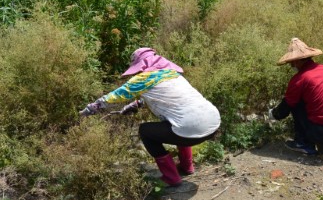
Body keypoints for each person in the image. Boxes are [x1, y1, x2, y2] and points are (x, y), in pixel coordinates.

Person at [80, 47, 221, 186]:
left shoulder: (143, 79)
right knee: (178, 121)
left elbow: (115, 96)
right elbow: (159, 96)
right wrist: (134, 105)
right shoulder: (172, 74)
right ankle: (187, 167)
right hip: (213, 123)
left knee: (145, 131)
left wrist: (90, 108)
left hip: (190, 131)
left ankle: (172, 178)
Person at [268, 38, 323, 155]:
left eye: (291, 62)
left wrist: (273, 114)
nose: (291, 66)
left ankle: (304, 143)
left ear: (298, 61)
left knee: (295, 103)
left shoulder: (299, 80)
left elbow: (285, 108)